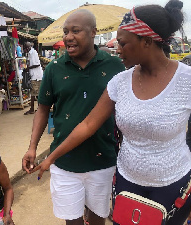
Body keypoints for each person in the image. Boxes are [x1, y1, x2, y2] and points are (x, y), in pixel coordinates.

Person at [32, 1, 191, 225]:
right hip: (128, 185)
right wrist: (50, 158)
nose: (117, 49)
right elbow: (87, 125)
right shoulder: (119, 82)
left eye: (122, 43)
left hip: (174, 187)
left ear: (147, 41)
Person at [22, 9, 125, 225]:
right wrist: (32, 147)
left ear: (93, 32)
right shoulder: (54, 69)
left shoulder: (115, 66)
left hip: (103, 159)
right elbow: (42, 108)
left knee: (98, 218)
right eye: (66, 31)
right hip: (64, 161)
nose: (68, 37)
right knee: (73, 221)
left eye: (75, 31)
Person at [23, 42, 43, 115]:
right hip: (34, 76)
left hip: (36, 76)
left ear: (28, 47)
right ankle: (34, 109)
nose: (26, 50)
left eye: (26, 48)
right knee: (33, 93)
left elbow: (37, 64)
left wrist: (28, 68)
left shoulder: (33, 53)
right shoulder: (30, 53)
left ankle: (37, 109)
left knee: (36, 93)